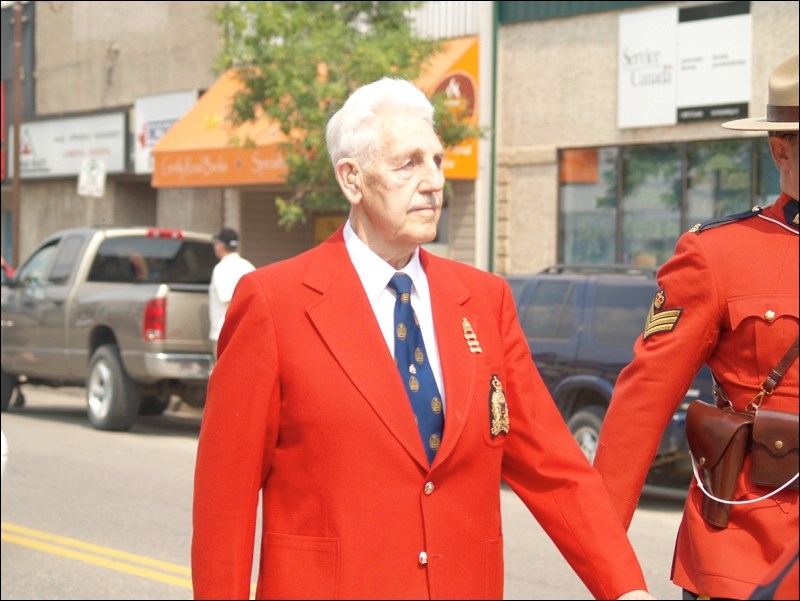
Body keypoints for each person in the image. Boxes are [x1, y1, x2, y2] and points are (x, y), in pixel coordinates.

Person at [192, 77, 653, 600]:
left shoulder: (484, 301)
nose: (434, 180)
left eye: (437, 160)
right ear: (352, 179)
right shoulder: (274, 303)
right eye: (408, 163)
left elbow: (556, 469)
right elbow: (223, 502)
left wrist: (625, 588)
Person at [594, 52, 799, 600]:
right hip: (753, 552)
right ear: (781, 147)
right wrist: (602, 560)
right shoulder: (719, 254)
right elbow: (641, 406)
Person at [207, 228, 255, 360]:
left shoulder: (221, 268)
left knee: (223, 377)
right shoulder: (248, 266)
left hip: (225, 333)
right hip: (246, 333)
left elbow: (231, 299)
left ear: (221, 245)